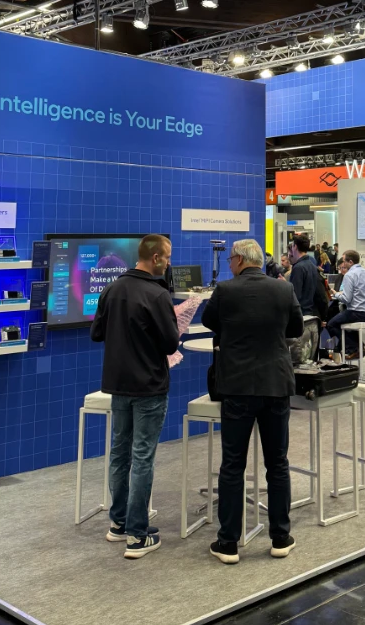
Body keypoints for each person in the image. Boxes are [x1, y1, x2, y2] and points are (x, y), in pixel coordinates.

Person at [201, 238, 304, 564]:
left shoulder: (225, 290)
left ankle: (228, 543)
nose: (229, 264)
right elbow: (296, 328)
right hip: (276, 384)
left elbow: (209, 322)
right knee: (278, 463)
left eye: (230, 260)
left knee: (233, 465)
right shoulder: (284, 289)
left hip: (237, 386)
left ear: (240, 260)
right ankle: (281, 537)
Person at [90, 233, 180, 558]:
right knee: (142, 456)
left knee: (120, 452)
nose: (168, 264)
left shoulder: (112, 289)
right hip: (149, 386)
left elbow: (96, 333)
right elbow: (170, 343)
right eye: (167, 258)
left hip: (118, 385)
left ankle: (119, 523)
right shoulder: (157, 295)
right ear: (155, 258)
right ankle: (137, 535)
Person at [327, 250, 365, 360]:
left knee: (331, 324)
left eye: (344, 261)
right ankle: (358, 347)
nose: (343, 264)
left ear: (350, 262)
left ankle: (354, 348)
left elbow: (346, 299)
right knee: (346, 323)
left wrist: (336, 294)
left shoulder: (349, 275)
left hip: (357, 312)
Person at [286, 234, 328, 363]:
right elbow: (320, 294)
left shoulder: (298, 268)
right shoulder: (312, 266)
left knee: (298, 359)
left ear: (295, 247)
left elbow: (295, 296)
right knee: (310, 357)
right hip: (312, 317)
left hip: (301, 317)